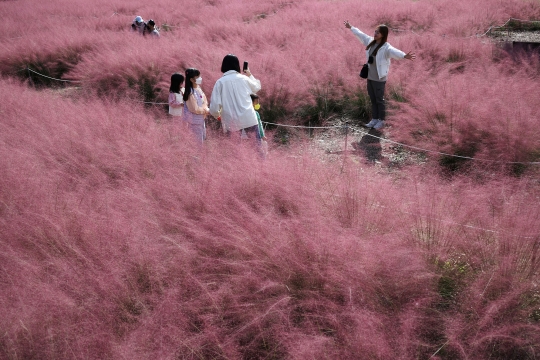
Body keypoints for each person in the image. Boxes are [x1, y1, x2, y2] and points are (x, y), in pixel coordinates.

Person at [344, 20, 415, 129]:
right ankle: (374, 119)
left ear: (383, 34)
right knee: (373, 99)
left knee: (379, 100)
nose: (375, 33)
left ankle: (381, 121)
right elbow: (361, 34)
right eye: (375, 31)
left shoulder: (386, 47)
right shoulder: (370, 42)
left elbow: (394, 51)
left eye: (378, 32)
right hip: (370, 77)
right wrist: (351, 27)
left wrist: (404, 55)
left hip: (379, 79)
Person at [209, 54, 262, 140]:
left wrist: (217, 115)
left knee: (235, 152)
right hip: (249, 118)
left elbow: (214, 107)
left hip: (231, 122)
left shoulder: (220, 83)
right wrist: (249, 74)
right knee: (257, 149)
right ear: (237, 65)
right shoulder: (244, 79)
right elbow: (257, 87)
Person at [183, 68, 209, 144]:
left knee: (201, 141)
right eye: (197, 77)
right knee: (197, 144)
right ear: (191, 79)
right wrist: (206, 110)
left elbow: (204, 101)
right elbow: (194, 109)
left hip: (200, 120)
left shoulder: (198, 88)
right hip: (194, 122)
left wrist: (206, 109)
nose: (200, 78)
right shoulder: (190, 93)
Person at [250, 94, 268, 158]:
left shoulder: (256, 113)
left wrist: (262, 135)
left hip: (256, 136)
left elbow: (260, 125)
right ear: (251, 102)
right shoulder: (251, 114)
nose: (258, 104)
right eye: (257, 102)